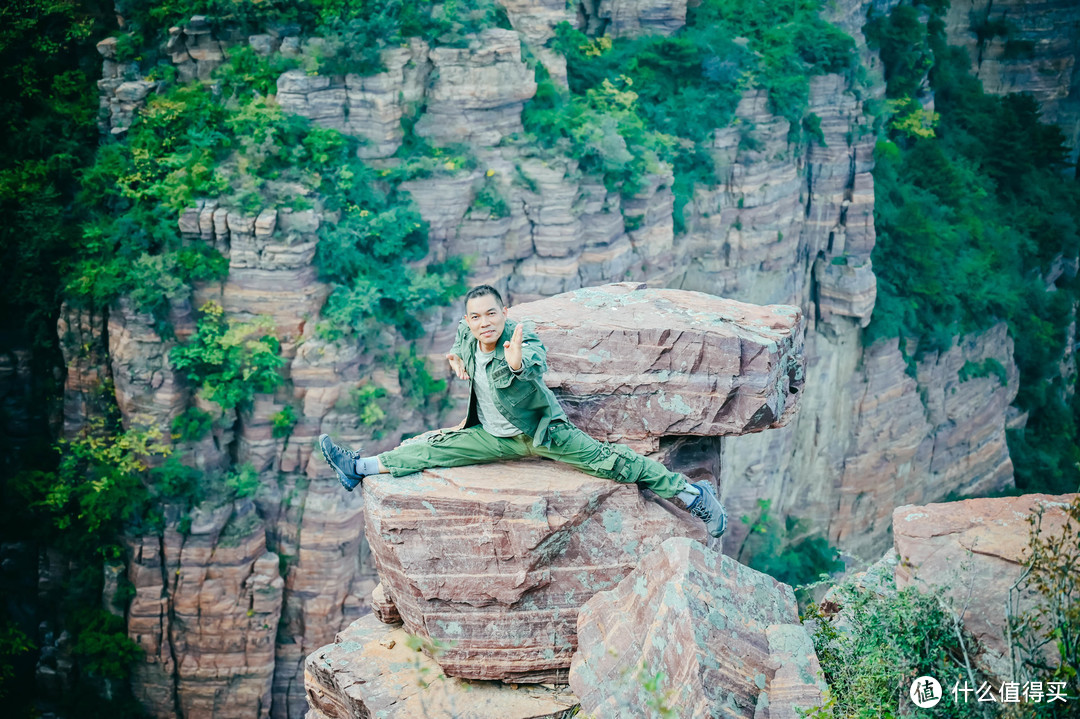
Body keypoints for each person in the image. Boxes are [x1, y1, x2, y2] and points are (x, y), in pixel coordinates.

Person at [319, 285, 727, 537]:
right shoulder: (468, 333)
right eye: (477, 317)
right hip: (493, 437)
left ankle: (694, 495)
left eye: (492, 314)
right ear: (468, 320)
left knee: (614, 465)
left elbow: (533, 361)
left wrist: (514, 363)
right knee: (429, 449)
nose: (485, 323)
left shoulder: (520, 336)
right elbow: (462, 344)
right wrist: (459, 360)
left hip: (543, 434)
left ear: (505, 312)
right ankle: (359, 469)